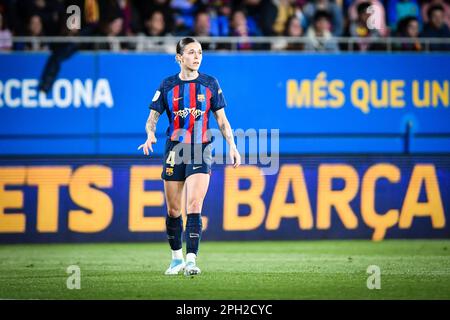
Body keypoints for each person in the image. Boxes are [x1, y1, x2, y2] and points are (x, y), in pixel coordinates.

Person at [138, 37, 241, 276]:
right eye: (192, 52)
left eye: (200, 53)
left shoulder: (210, 83)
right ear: (179, 58)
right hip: (175, 149)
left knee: (194, 205)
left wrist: (233, 146)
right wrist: (150, 135)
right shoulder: (167, 85)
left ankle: (192, 260)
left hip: (201, 147)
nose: (197, 57)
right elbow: (152, 118)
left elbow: (222, 121)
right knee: (174, 210)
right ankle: (176, 259)